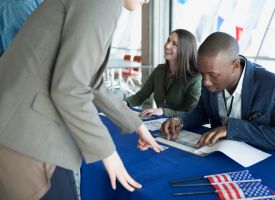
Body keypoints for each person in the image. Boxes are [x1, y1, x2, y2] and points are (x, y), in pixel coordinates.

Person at [0, 0, 162, 199]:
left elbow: (92, 81)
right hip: (30, 139)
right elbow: (71, 88)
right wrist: (108, 153)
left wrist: (136, 124)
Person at [160, 32, 275, 153]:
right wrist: (180, 120)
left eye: (213, 75)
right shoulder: (209, 79)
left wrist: (233, 129)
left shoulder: (274, 87)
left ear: (235, 65)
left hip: (266, 166)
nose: (205, 82)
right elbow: (202, 112)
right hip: (219, 157)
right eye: (202, 74)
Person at [124, 29, 202, 117]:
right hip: (159, 122)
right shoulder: (159, 70)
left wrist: (164, 111)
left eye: (174, 44)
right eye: (168, 40)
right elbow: (141, 96)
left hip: (182, 126)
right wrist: (125, 103)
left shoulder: (195, 78)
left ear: (185, 50)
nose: (167, 46)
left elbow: (192, 113)